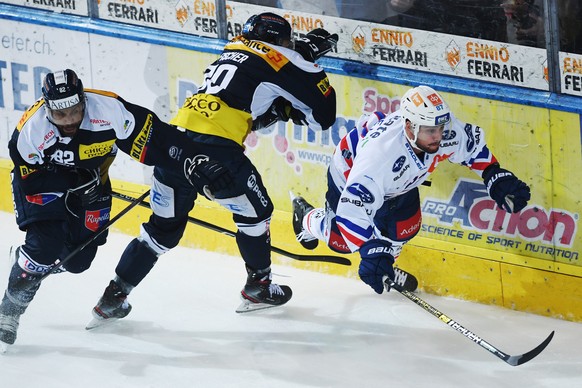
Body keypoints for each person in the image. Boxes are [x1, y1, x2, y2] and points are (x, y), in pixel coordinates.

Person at [88, 11, 338, 326]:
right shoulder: (283, 59)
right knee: (256, 214)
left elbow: (251, 95)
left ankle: (113, 297)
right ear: (280, 41)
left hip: (173, 145)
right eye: (288, 41)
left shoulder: (233, 48)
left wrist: (292, 67)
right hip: (216, 150)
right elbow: (322, 117)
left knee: (161, 231)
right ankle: (258, 287)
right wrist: (309, 64)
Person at [0, 69, 230, 348]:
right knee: (44, 245)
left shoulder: (110, 111)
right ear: (47, 109)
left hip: (94, 187)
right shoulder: (31, 131)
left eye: (74, 111)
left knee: (77, 263)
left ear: (83, 100)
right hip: (42, 184)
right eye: (60, 115)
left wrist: (196, 161)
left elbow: (160, 140)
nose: (69, 121)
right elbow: (30, 181)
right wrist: (73, 182)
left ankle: (34, 264)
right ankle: (9, 311)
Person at [292, 85, 530, 294]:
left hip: (399, 183)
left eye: (440, 128)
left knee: (404, 228)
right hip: (349, 176)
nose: (439, 136)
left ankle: (388, 268)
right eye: (430, 131)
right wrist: (370, 251)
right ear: (409, 127)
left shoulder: (435, 128)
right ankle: (307, 219)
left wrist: (493, 175)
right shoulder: (380, 158)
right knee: (340, 242)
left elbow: (470, 146)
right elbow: (352, 210)